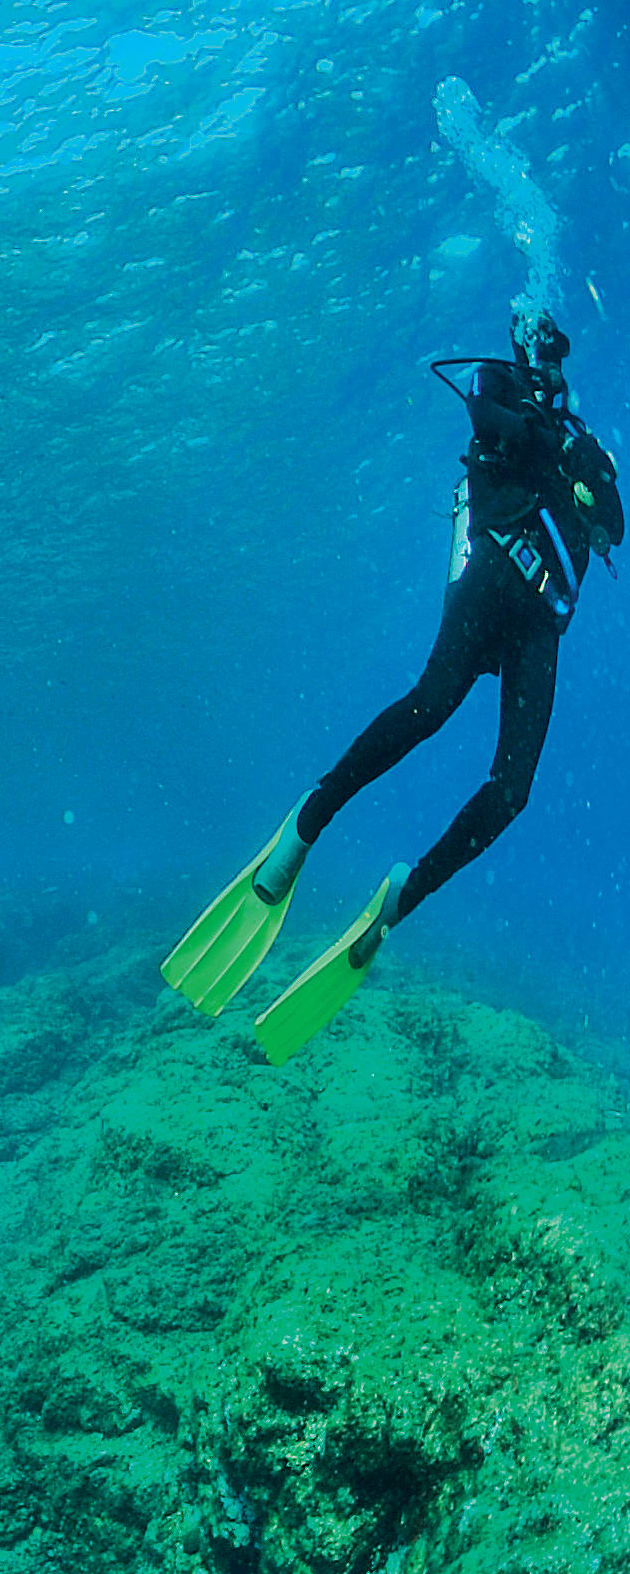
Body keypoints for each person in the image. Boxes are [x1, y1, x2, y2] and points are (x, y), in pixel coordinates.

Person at [165, 302, 623, 1062]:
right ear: (523, 341)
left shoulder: (588, 442)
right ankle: (305, 824)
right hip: (495, 570)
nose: (548, 360)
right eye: (539, 344)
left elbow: (615, 523)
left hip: (543, 620)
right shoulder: (498, 379)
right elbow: (485, 419)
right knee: (430, 706)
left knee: (513, 791)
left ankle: (402, 898)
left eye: (557, 350)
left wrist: (579, 467)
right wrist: (546, 439)